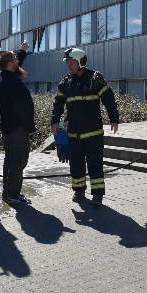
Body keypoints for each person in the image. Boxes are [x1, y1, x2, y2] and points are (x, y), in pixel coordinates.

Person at [51, 48, 119, 208]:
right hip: (74, 133)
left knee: (95, 164)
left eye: (70, 62)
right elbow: (58, 104)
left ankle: (97, 195)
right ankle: (79, 191)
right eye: (67, 62)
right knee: (76, 164)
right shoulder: (65, 82)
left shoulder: (95, 79)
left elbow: (108, 99)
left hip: (93, 132)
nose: (68, 65)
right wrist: (54, 121)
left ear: (80, 61)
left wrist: (114, 119)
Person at [0, 42, 34, 205]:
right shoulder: (12, 82)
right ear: (11, 64)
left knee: (10, 160)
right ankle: (13, 194)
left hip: (7, 127)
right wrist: (30, 128)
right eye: (16, 59)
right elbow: (24, 107)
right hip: (17, 128)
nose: (18, 60)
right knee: (19, 161)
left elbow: (15, 67)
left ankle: (8, 192)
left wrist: (22, 52)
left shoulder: (1, 76)